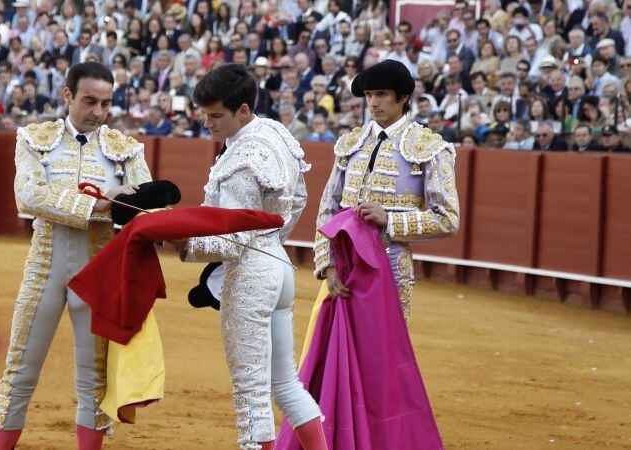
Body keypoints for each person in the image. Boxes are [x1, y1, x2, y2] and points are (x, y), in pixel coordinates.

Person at [281, 58, 457, 448]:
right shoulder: (350, 144)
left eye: (381, 95)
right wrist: (326, 267)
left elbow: (447, 218)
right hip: (344, 268)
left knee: (381, 365)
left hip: (390, 270)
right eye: (368, 95)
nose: (373, 103)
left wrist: (390, 220)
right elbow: (328, 209)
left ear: (404, 98)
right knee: (333, 356)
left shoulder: (430, 149)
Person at [0, 62, 152, 450]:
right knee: (19, 373)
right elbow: (28, 196)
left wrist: (141, 205)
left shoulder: (125, 149)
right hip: (43, 268)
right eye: (89, 101)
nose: (98, 112)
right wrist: (99, 208)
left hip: (98, 274)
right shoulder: (34, 138)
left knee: (94, 380)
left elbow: (144, 202)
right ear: (67, 96)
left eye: (106, 103)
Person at [171, 63, 326, 450]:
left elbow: (233, 242)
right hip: (279, 264)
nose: (208, 123)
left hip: (250, 275)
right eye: (204, 114)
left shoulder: (242, 159)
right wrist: (273, 239)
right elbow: (299, 199)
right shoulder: (274, 132)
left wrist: (184, 243)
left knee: (251, 393)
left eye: (216, 115)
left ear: (242, 110)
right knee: (285, 384)